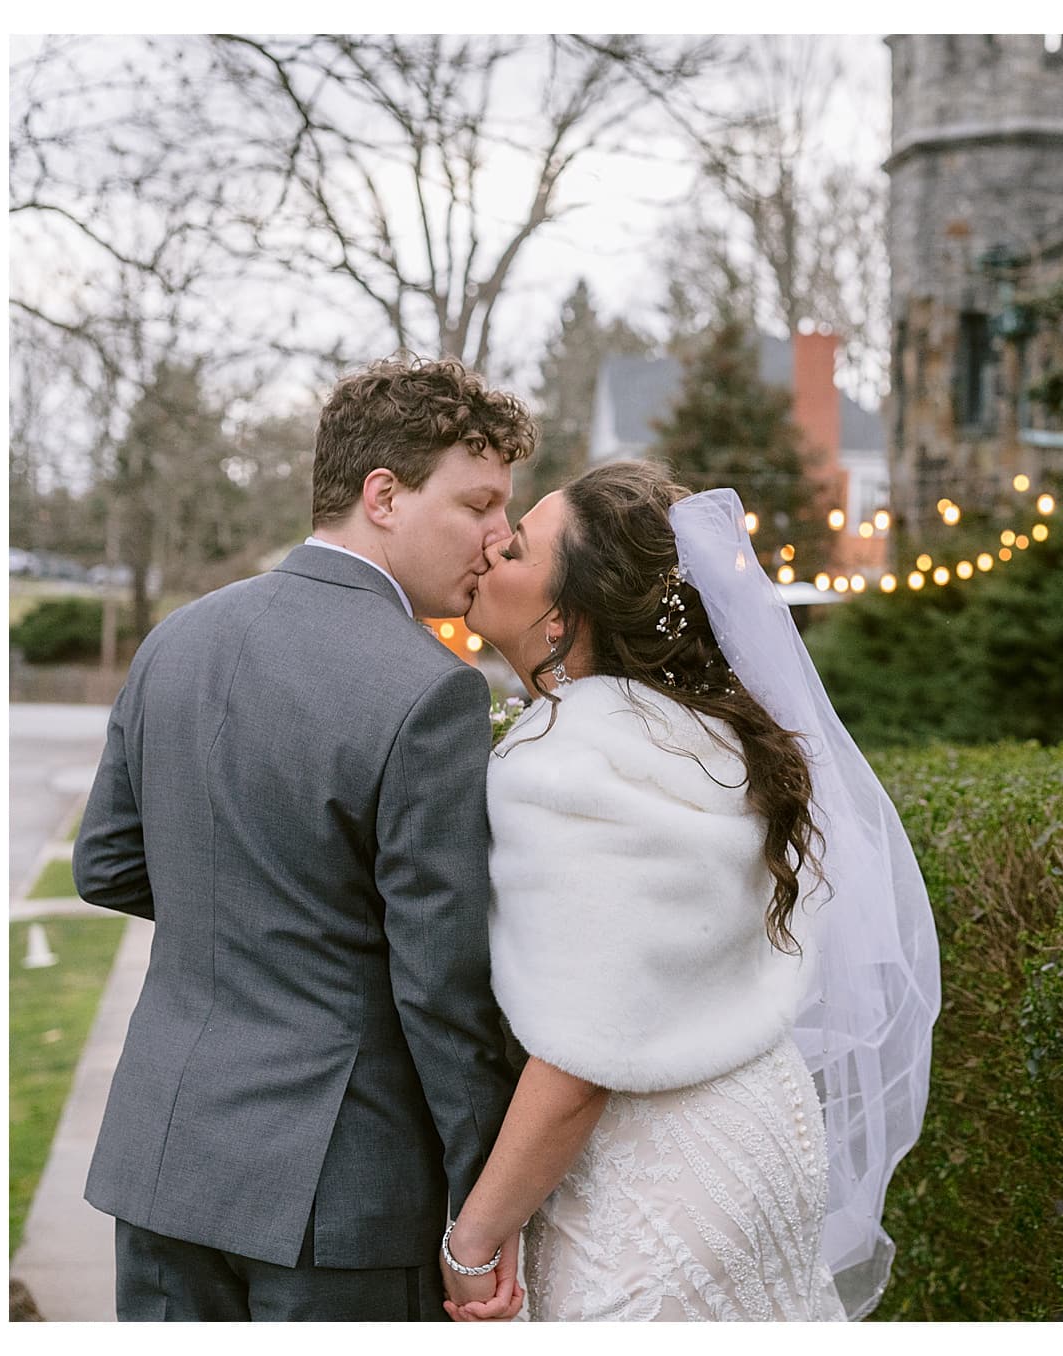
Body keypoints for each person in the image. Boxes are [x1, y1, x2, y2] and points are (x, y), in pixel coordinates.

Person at [72, 355, 536, 1321]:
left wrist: (250, 909)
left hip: (163, 1158)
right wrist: (485, 1212)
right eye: (478, 502)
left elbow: (108, 864)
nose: (498, 539)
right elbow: (440, 985)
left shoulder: (178, 637)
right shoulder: (432, 690)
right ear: (383, 495)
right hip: (340, 1195)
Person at [449, 459, 940, 1322]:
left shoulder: (564, 764)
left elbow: (578, 1061)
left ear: (561, 617)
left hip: (656, 1176)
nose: (492, 547)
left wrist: (475, 1238)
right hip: (763, 1131)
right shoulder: (713, 738)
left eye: (519, 546)